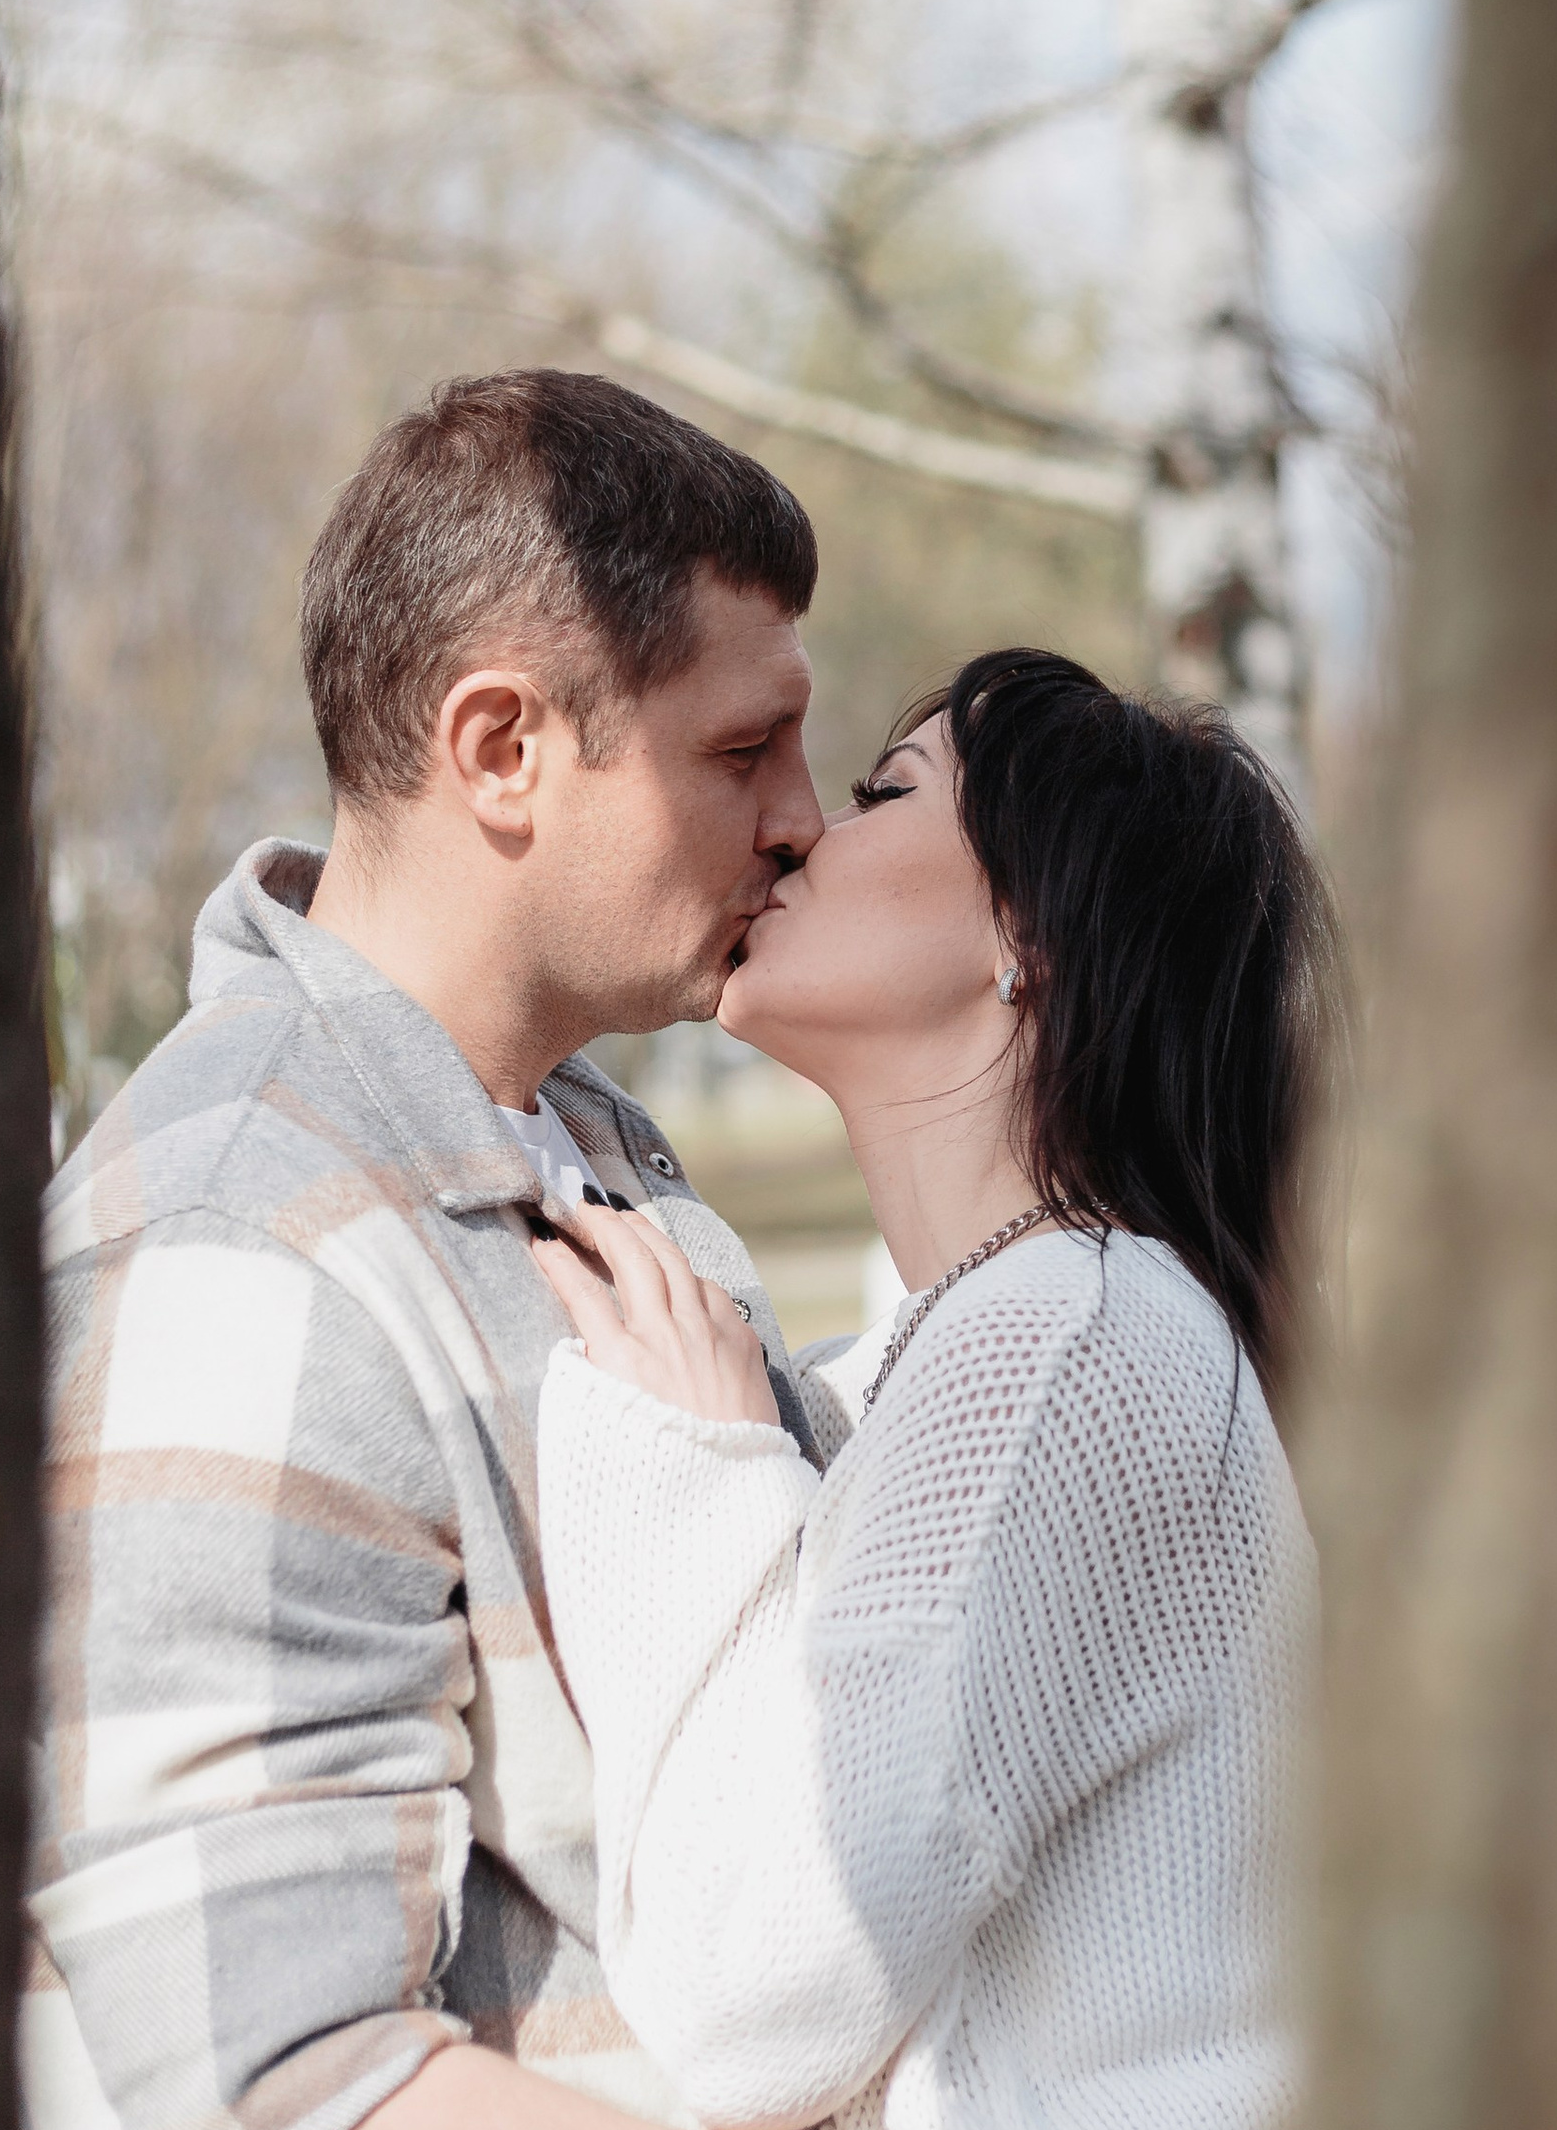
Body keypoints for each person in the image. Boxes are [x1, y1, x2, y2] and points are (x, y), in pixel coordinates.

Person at [21, 370, 830, 2130]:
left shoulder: (576, 1132)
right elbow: (287, 2077)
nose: (803, 820)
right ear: (500, 749)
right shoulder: (246, 1241)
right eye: (741, 750)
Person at [531, 648, 1342, 2129]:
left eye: (882, 793)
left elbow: (749, 2008)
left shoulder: (1060, 1347)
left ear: (1023, 933)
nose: (794, 832)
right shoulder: (1042, 1324)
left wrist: (699, 1475)